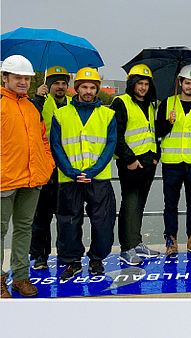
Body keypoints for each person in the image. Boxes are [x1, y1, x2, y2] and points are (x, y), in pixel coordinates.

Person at [50, 67, 117, 280]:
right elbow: (56, 146)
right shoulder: (60, 114)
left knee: (103, 221)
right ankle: (72, 262)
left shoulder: (108, 115)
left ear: (97, 89)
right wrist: (70, 171)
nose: (88, 91)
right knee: (68, 222)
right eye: (84, 87)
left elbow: (110, 145)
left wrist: (93, 170)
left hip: (98, 178)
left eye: (92, 87)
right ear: (76, 88)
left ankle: (96, 259)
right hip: (69, 179)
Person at [1, 55, 55, 298]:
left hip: (32, 179)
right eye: (18, 77)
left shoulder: (31, 107)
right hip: (4, 179)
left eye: (26, 78)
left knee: (24, 228)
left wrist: (48, 165)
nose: (22, 82)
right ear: (5, 78)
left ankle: (20, 276)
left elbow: (42, 139)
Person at [156, 64, 191, 257]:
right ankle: (170, 239)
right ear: (180, 83)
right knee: (170, 204)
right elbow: (157, 131)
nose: (190, 87)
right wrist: (167, 122)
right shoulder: (167, 104)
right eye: (187, 83)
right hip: (171, 163)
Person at [110, 64, 160, 265]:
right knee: (129, 205)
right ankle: (127, 248)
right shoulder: (120, 102)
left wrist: (156, 154)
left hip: (148, 162)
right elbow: (116, 134)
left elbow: (151, 131)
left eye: (146, 84)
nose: (143, 87)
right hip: (131, 164)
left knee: (140, 205)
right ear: (132, 83)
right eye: (140, 83)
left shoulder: (149, 104)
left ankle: (137, 242)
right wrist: (129, 160)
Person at [29, 65, 72, 270]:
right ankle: (39, 255)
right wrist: (38, 97)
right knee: (41, 215)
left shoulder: (73, 104)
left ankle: (65, 254)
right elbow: (29, 119)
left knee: (66, 215)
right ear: (49, 85)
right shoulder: (39, 102)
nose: (60, 87)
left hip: (66, 167)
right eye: (56, 83)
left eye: (64, 83)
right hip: (44, 165)